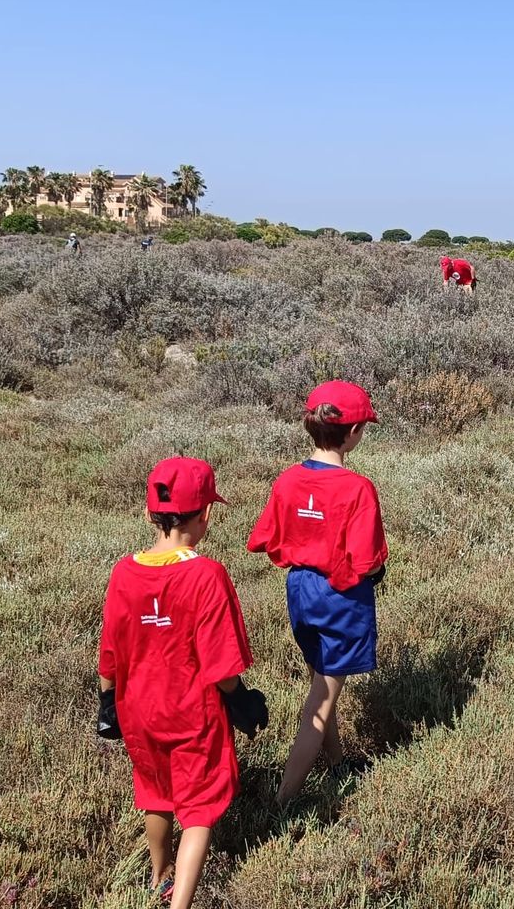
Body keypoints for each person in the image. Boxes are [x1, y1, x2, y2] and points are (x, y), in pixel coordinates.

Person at [96, 457, 267, 909]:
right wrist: (243, 701)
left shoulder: (123, 571)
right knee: (198, 807)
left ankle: (158, 874)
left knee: (154, 789)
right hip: (192, 712)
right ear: (206, 514)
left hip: (137, 708)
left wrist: (106, 702)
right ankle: (180, 903)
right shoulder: (206, 575)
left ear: (149, 512)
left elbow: (109, 652)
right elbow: (221, 666)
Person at [247, 381, 387, 806]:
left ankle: (338, 763)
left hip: (300, 591)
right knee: (319, 706)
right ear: (354, 431)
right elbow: (369, 560)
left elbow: (267, 538)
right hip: (339, 597)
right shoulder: (357, 488)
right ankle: (283, 802)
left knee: (320, 683)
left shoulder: (288, 480)